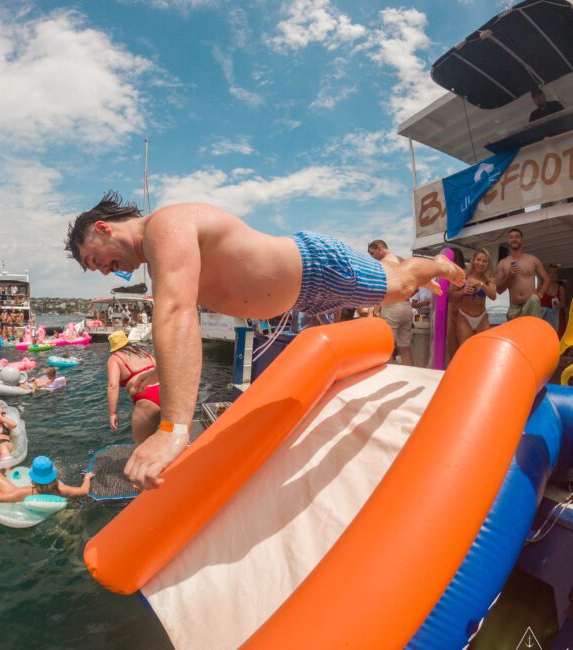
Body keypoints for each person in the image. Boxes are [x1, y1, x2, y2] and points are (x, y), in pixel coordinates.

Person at [65, 193, 464, 489]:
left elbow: (174, 314)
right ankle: (400, 267)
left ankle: (435, 263)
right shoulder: (160, 256)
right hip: (304, 297)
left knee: (399, 286)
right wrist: (152, 372)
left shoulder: (164, 226)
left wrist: (173, 429)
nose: (102, 272)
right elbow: (172, 327)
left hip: (316, 268)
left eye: (94, 260)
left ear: (104, 228)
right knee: (395, 285)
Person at [0, 455, 93, 502]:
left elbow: (0, 499)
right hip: (33, 504)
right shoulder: (62, 490)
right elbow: (84, 490)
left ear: (33, 480)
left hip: (16, 502)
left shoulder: (27, 491)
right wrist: (87, 477)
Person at [106, 331, 160, 445]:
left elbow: (113, 385)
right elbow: (159, 370)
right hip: (165, 393)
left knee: (141, 444)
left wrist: (112, 414)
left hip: (147, 398)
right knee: (167, 433)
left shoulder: (115, 358)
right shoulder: (143, 352)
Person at [367, 240, 414, 366]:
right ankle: (409, 377)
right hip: (406, 307)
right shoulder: (403, 260)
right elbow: (416, 288)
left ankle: (390, 379)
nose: (372, 257)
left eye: (372, 253)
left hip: (392, 307)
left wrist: (375, 310)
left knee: (388, 347)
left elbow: (380, 289)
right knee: (405, 348)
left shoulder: (383, 264)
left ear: (380, 249)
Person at [496, 228, 549, 321]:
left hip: (531, 305)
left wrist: (539, 295)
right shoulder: (503, 263)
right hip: (514, 307)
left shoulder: (532, 259)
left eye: (517, 237)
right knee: (514, 335)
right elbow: (499, 290)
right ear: (508, 241)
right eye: (511, 237)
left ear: (521, 240)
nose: (514, 239)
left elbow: (547, 279)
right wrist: (509, 276)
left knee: (533, 333)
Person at [453, 248, 497, 346]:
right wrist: (462, 292)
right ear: (473, 260)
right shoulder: (464, 275)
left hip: (482, 317)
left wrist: (481, 284)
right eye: (479, 260)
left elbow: (493, 296)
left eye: (484, 261)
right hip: (464, 317)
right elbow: (451, 295)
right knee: (466, 348)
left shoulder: (489, 277)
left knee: (482, 349)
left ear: (488, 264)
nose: (481, 263)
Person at [541, 264, 567, 333]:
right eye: (550, 272)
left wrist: (559, 304)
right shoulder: (541, 286)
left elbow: (564, 305)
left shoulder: (560, 288)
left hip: (557, 318)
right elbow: (536, 301)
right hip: (543, 318)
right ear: (547, 274)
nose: (552, 275)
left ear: (557, 276)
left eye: (555, 273)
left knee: (558, 338)